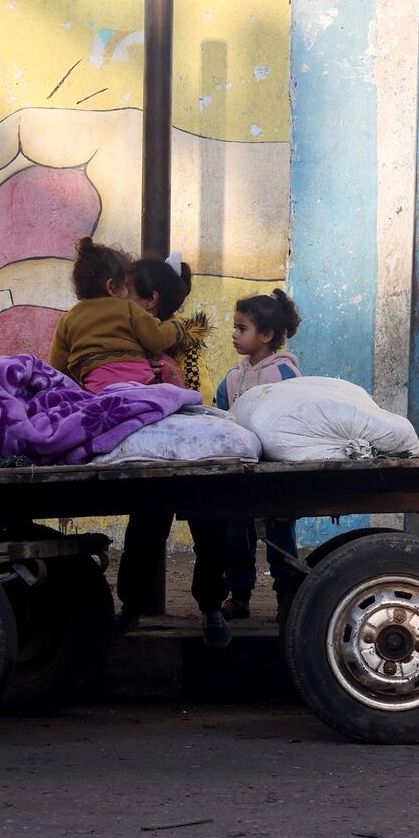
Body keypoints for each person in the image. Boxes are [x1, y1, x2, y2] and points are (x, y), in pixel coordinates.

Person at [107, 256, 233, 646]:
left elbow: (200, 395)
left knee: (210, 534)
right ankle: (131, 608)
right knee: (145, 533)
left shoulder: (180, 342)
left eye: (128, 291)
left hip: (191, 449)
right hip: (153, 450)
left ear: (150, 300)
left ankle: (211, 607)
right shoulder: (132, 339)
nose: (121, 298)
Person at [217, 289, 304, 623]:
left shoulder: (284, 374)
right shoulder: (233, 377)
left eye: (242, 328)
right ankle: (238, 596)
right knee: (236, 534)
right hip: (241, 472)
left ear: (266, 335)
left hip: (276, 473)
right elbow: (223, 414)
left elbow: (294, 416)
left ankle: (287, 596)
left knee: (279, 534)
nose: (235, 334)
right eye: (235, 327)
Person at [47, 237, 195, 392]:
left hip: (96, 390)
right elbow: (157, 338)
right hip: (140, 385)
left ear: (152, 299)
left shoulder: (67, 320)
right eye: (125, 285)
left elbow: (57, 371)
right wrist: (176, 328)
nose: (126, 293)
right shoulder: (128, 308)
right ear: (111, 287)